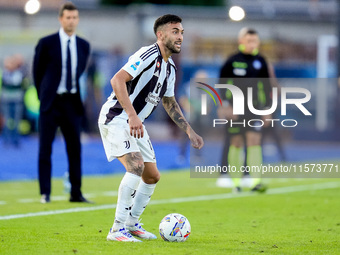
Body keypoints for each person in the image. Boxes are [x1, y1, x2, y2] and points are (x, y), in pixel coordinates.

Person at [98, 14, 204, 242]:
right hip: (117, 117)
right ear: (160, 34)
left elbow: (169, 102)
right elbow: (117, 80)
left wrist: (189, 131)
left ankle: (132, 224)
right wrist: (132, 115)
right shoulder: (147, 55)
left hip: (135, 122)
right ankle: (116, 230)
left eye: (182, 32)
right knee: (135, 166)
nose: (180, 37)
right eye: (175, 31)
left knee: (152, 176)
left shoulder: (171, 68)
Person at [33, 2, 91, 204]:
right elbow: (37, 73)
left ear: (78, 19)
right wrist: (44, 96)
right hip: (51, 103)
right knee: (45, 148)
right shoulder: (46, 43)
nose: (71, 21)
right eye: (68, 17)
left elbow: (79, 71)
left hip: (72, 103)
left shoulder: (84, 45)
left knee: (75, 148)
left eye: (74, 17)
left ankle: (76, 193)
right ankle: (45, 193)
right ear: (60, 19)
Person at [216, 27, 272, 192]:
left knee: (255, 140)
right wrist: (225, 105)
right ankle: (236, 183)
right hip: (235, 108)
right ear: (241, 41)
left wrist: (267, 109)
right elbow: (221, 85)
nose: (252, 44)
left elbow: (266, 86)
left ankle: (255, 181)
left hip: (254, 108)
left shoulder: (261, 61)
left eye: (255, 41)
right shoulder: (232, 60)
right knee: (236, 142)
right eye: (249, 40)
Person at [0, 55, 28, 147]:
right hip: (6, 100)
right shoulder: (5, 73)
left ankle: (16, 139)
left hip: (17, 100)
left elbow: (19, 83)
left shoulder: (19, 73)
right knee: (7, 120)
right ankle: (7, 139)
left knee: (16, 120)